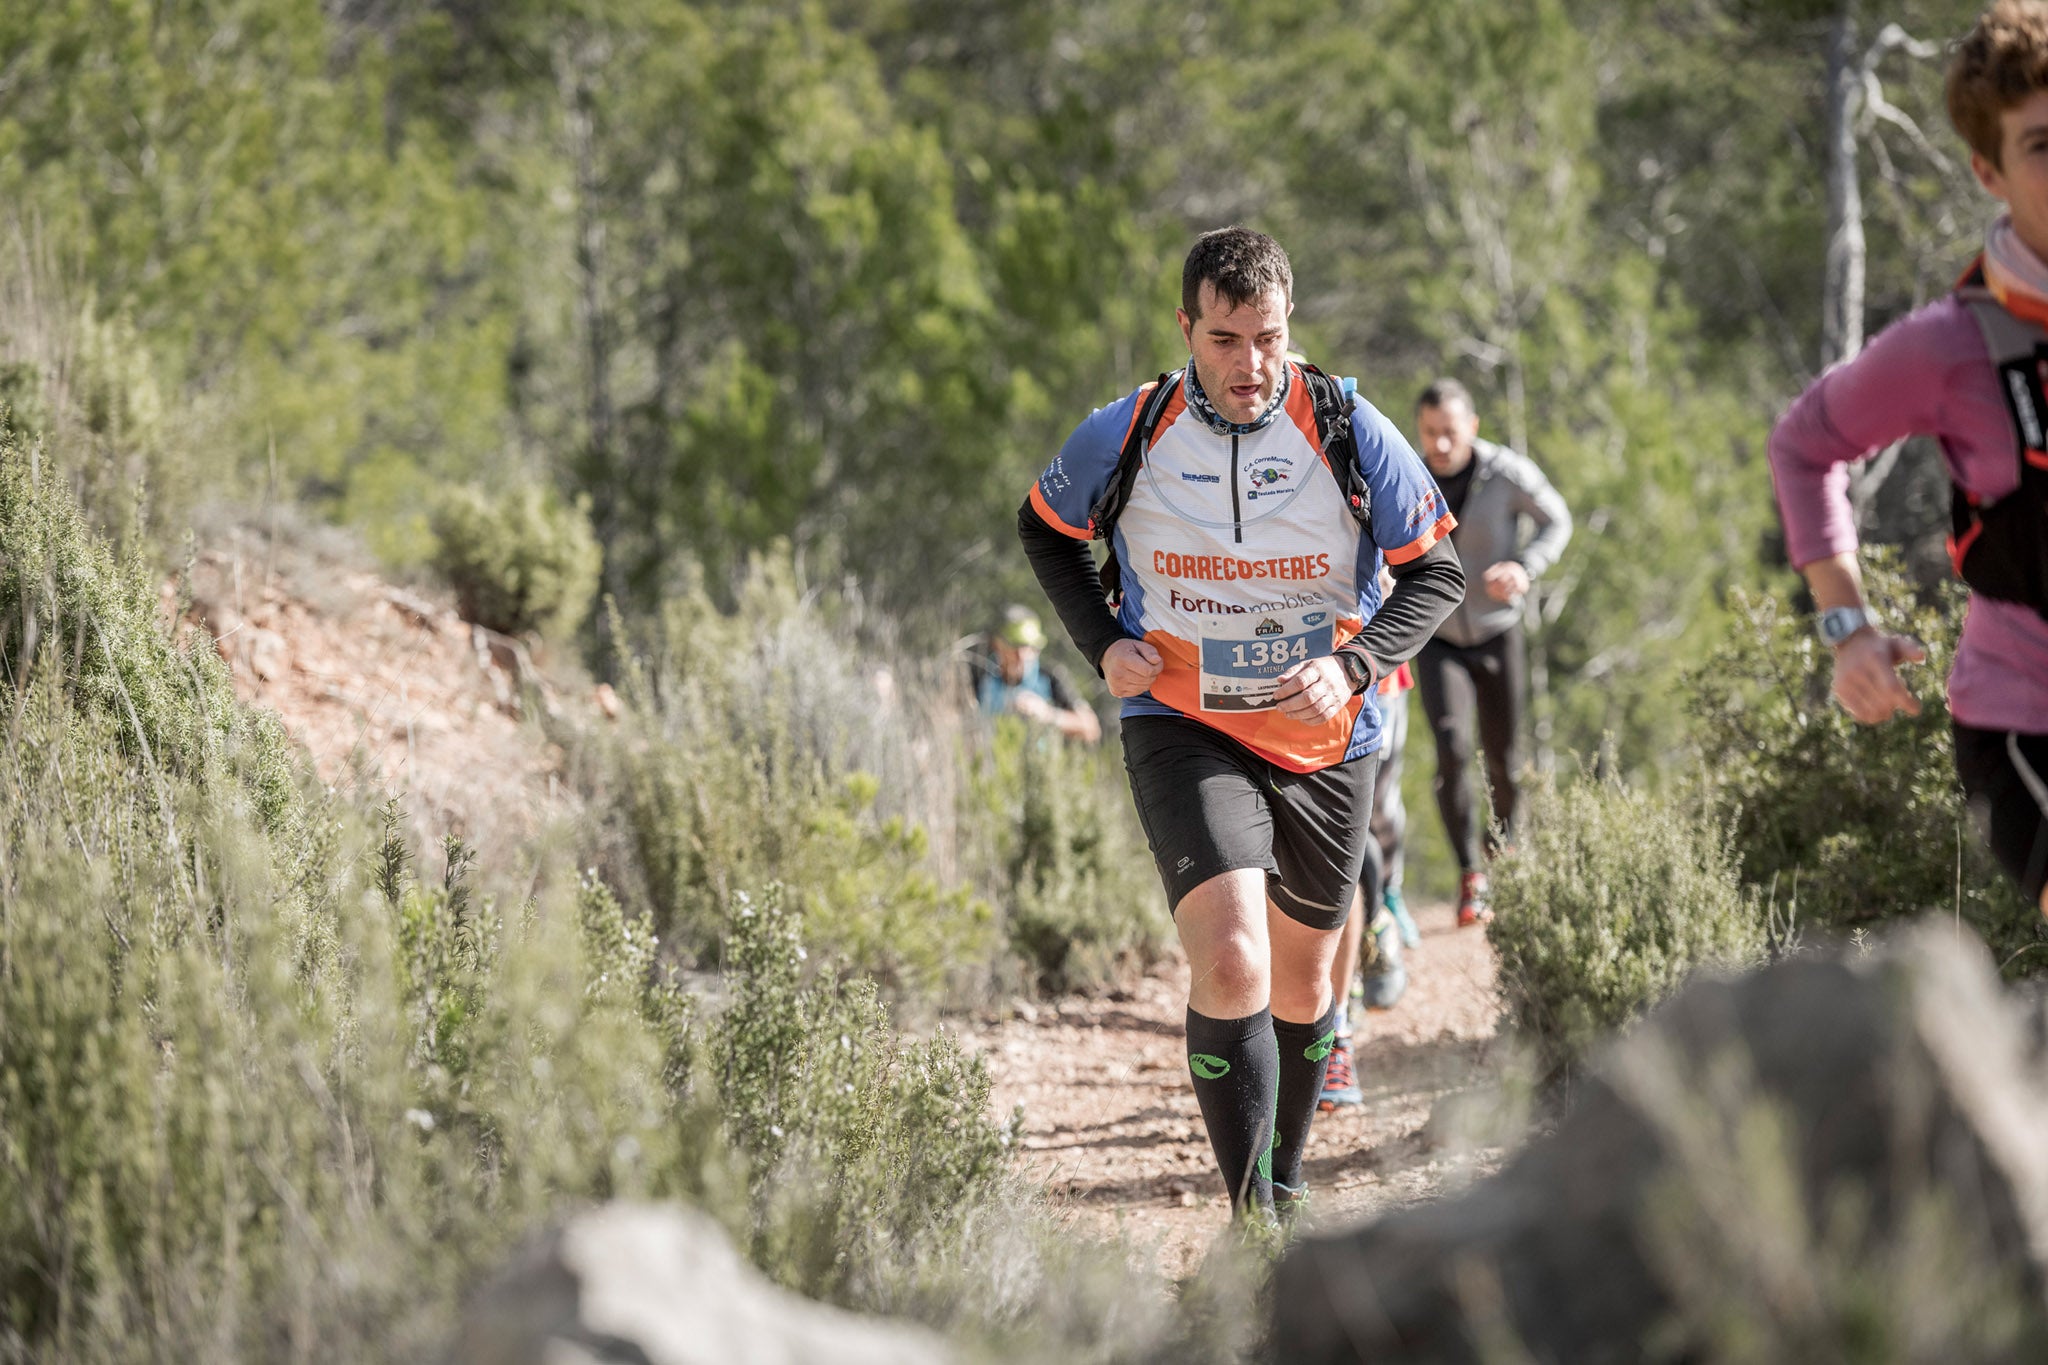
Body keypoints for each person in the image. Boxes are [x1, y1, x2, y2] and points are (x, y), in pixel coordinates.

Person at [1017, 227, 1464, 1220]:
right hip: (1181, 721)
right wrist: (1099, 639)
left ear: (1287, 323)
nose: (1248, 364)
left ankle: (1287, 1181)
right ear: (1186, 329)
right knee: (1229, 959)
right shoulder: (1127, 430)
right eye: (1224, 340)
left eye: (1265, 337)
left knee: (1303, 987)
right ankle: (1249, 1221)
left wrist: (1350, 665)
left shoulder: (1346, 425)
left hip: (1322, 737)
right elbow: (1043, 530)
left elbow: (1436, 571)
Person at [1768, 0, 2048, 917]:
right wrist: (1847, 629)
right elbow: (1804, 444)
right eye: (2042, 144)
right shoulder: (1951, 346)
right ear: (1989, 170)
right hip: (2026, 723)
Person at [1411, 379, 1572, 926]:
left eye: (1450, 433)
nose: (1440, 445)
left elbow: (1558, 520)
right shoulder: (1408, 475)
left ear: (1472, 427)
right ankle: (1468, 875)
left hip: (1498, 631)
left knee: (1503, 759)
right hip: (1437, 637)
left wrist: (1525, 567)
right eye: (1430, 433)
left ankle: (1501, 859)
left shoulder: (1506, 472)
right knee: (1452, 748)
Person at [967, 604, 1102, 743]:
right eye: (1014, 648)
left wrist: (1047, 714)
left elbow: (1091, 728)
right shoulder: (981, 675)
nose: (1021, 656)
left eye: (1029, 649)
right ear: (998, 646)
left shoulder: (1050, 676)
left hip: (1040, 762)